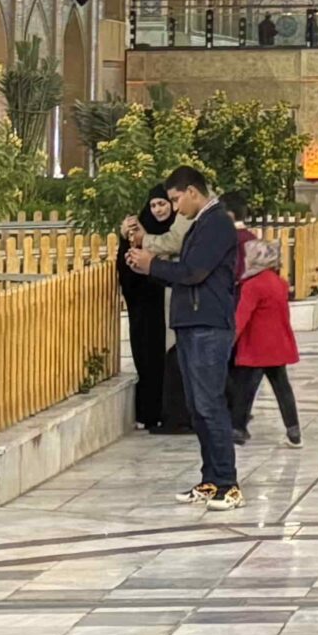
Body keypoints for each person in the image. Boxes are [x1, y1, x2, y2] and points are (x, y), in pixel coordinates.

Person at [126, 164, 244, 511]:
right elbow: (182, 274)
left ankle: (228, 484)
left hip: (209, 325)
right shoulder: (200, 224)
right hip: (192, 322)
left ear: (193, 191)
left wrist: (153, 264)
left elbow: (194, 272)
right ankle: (211, 479)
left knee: (210, 405)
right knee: (197, 407)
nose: (176, 208)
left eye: (177, 200)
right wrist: (148, 268)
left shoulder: (216, 222)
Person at [229, 236, 302, 446]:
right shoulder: (279, 283)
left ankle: (237, 429)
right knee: (283, 389)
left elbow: (241, 317)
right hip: (278, 346)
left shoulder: (252, 286)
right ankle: (294, 431)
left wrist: (230, 340)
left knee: (245, 389)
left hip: (256, 347)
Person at [118, 186, 178, 433]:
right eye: (154, 205)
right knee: (148, 361)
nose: (158, 210)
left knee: (172, 361)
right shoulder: (138, 231)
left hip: (169, 304)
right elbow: (125, 268)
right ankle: (149, 413)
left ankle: (172, 413)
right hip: (146, 309)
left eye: (162, 204)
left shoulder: (177, 231)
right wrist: (126, 241)